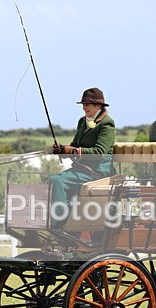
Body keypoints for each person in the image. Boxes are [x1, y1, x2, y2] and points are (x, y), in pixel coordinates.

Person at [49, 87, 116, 227]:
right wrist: (62, 150)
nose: (84, 108)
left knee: (58, 181)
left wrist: (72, 151)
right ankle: (65, 219)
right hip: (81, 170)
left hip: (98, 171)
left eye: (87, 105)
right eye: (83, 105)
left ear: (98, 106)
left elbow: (99, 152)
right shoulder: (82, 122)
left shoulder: (107, 124)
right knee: (50, 180)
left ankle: (57, 224)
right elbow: (75, 145)